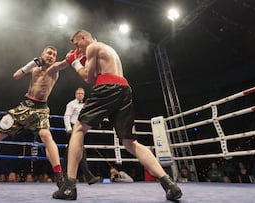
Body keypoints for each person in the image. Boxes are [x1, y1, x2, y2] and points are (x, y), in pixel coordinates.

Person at [52, 29, 182, 201]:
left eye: (77, 44)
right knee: (130, 143)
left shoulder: (92, 47)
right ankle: (169, 184)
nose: (79, 48)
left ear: (84, 38)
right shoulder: (107, 49)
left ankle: (69, 186)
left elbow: (88, 78)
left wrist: (75, 62)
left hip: (107, 87)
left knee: (78, 129)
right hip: (125, 89)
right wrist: (78, 59)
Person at [0, 45, 69, 187]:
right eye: (49, 53)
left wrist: (75, 55)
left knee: (46, 136)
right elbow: (16, 76)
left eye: (54, 55)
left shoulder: (54, 70)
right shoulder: (35, 68)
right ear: (42, 54)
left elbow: (64, 63)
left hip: (40, 110)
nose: (52, 56)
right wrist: (32, 63)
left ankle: (59, 176)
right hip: (23, 107)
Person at [62, 87, 99, 185]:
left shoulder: (84, 105)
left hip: (80, 129)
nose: (80, 95)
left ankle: (61, 175)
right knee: (81, 151)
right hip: (73, 128)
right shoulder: (71, 104)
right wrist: (69, 129)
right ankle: (88, 176)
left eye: (82, 93)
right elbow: (67, 116)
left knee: (69, 153)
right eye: (78, 93)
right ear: (75, 94)